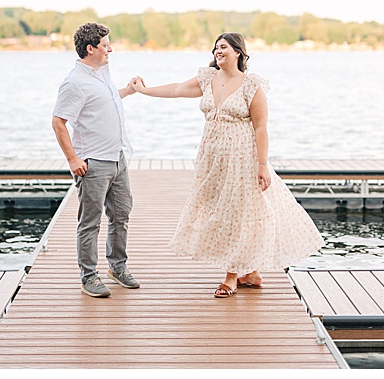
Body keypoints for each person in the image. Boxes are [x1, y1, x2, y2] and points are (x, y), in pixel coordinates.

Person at [130, 33, 323, 298]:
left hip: (241, 157)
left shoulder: (251, 84)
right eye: (216, 47)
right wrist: (143, 90)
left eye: (224, 47)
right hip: (212, 158)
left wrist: (262, 164)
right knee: (217, 210)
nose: (218, 51)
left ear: (238, 52)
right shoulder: (208, 78)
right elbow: (176, 89)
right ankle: (250, 272)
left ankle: (231, 276)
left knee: (238, 212)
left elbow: (261, 127)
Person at [52, 22, 143, 298]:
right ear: (90, 49)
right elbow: (58, 122)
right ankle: (88, 276)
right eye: (105, 45)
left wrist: (127, 90)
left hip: (117, 156)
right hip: (93, 162)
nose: (110, 49)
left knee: (121, 214)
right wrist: (72, 159)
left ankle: (117, 267)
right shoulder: (73, 83)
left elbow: (106, 100)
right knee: (90, 222)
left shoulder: (102, 71)